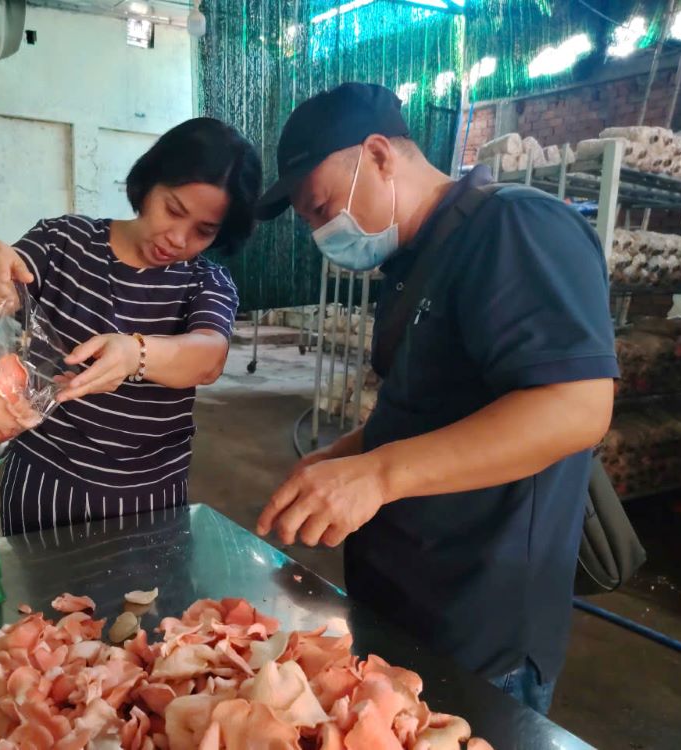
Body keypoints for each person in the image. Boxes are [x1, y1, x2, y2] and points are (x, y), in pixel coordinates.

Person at [254, 83, 618, 715]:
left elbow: (577, 406)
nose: (321, 231)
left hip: (479, 628)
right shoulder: (416, 259)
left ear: (378, 154)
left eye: (321, 208)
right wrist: (343, 456)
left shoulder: (514, 228)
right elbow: (427, 405)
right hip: (404, 604)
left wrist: (376, 474)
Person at [0, 117, 261, 533]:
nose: (177, 238)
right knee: (34, 596)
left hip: (151, 496)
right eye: (173, 210)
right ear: (149, 182)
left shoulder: (204, 282)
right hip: (46, 481)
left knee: (148, 600)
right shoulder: (65, 242)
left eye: (203, 231)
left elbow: (207, 355)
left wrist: (137, 353)